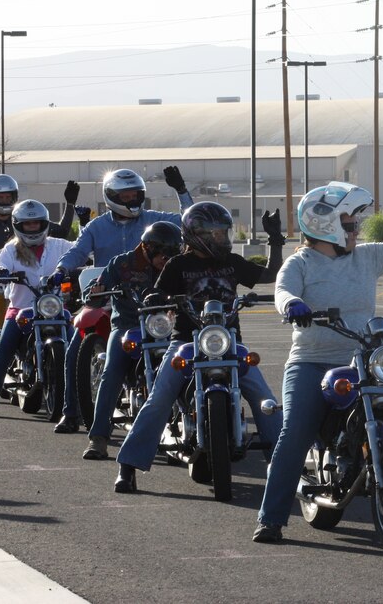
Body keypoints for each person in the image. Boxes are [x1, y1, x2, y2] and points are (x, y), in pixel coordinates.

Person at [252, 163, 383, 543]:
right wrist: (292, 304)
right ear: (324, 224)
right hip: (312, 361)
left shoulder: (366, 257)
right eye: (348, 224)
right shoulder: (301, 262)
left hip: (365, 361)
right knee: (294, 433)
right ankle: (271, 518)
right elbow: (282, 289)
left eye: (353, 223)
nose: (355, 230)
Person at [112, 202, 285, 494]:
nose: (220, 238)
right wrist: (155, 297)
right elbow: (159, 290)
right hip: (186, 342)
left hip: (230, 342)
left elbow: (271, 274)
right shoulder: (178, 264)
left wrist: (276, 240)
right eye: (214, 233)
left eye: (223, 233)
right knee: (159, 398)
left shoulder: (231, 261)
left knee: (265, 399)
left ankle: (284, 467)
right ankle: (127, 467)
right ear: (195, 234)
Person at [49, 166, 193, 434]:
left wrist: (181, 191)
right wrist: (60, 270)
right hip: (110, 296)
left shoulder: (154, 220)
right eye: (125, 196)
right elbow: (78, 252)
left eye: (135, 194)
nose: (132, 200)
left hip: (158, 300)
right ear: (111, 196)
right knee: (75, 347)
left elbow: (190, 222)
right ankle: (71, 413)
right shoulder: (96, 226)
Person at [0, 174, 78, 403]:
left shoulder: (28, 216)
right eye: (1, 196)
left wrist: (69, 205)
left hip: (40, 289)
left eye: (9, 195)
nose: (6, 199)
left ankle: (76, 393)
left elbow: (62, 232)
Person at [81, 221, 183, 460]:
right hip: (128, 326)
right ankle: (98, 438)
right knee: (112, 373)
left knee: (186, 366)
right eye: (162, 255)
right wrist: (96, 293)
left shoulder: (176, 266)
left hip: (164, 327)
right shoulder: (121, 264)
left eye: (171, 255)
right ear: (148, 248)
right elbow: (93, 297)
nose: (165, 261)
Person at [0, 200, 76, 418]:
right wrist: (2, 272)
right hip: (21, 309)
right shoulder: (10, 249)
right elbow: (0, 266)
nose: (32, 227)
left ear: (44, 224)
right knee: (3, 351)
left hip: (54, 309)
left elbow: (81, 252)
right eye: (27, 224)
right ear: (18, 225)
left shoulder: (59, 245)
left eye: (37, 223)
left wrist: (83, 264)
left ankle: (79, 404)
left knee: (76, 348)